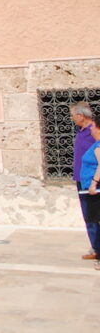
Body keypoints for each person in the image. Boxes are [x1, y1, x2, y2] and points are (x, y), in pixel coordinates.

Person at [71, 103, 98, 260]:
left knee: (94, 215)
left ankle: (98, 248)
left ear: (81, 116)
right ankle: (95, 247)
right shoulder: (80, 131)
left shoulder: (93, 132)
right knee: (88, 215)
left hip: (91, 180)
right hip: (80, 179)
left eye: (73, 114)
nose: (72, 118)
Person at [77, 119, 100, 270]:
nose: (91, 130)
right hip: (89, 189)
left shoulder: (99, 146)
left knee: (97, 222)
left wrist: (93, 183)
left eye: (94, 128)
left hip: (94, 190)